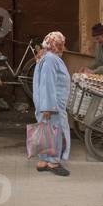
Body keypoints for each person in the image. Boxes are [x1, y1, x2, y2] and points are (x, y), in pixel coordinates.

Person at [31, 30, 72, 177]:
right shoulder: (50, 59)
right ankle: (53, 163)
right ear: (56, 45)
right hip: (51, 104)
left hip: (47, 103)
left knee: (45, 131)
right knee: (54, 132)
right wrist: (48, 106)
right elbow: (47, 84)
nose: (63, 47)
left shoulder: (47, 57)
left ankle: (43, 161)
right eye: (62, 44)